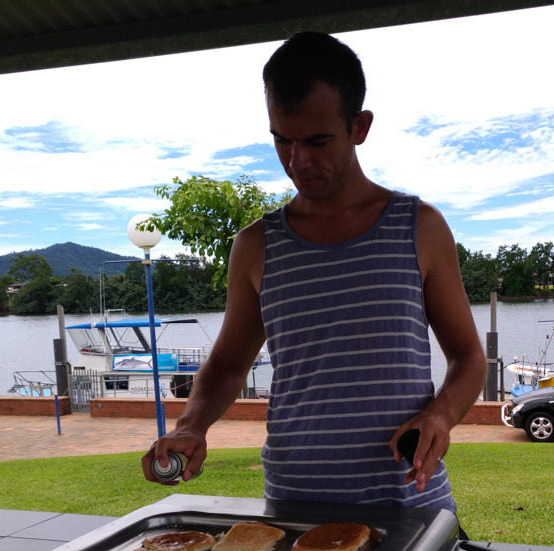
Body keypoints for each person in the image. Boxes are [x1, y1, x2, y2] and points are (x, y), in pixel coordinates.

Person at [142, 31, 486, 511]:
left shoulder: (419, 227)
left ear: (359, 126)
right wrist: (190, 425)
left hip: (409, 506)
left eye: (317, 141)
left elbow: (469, 355)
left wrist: (442, 415)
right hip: (292, 510)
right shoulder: (256, 245)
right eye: (281, 140)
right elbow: (226, 365)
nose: (297, 161)